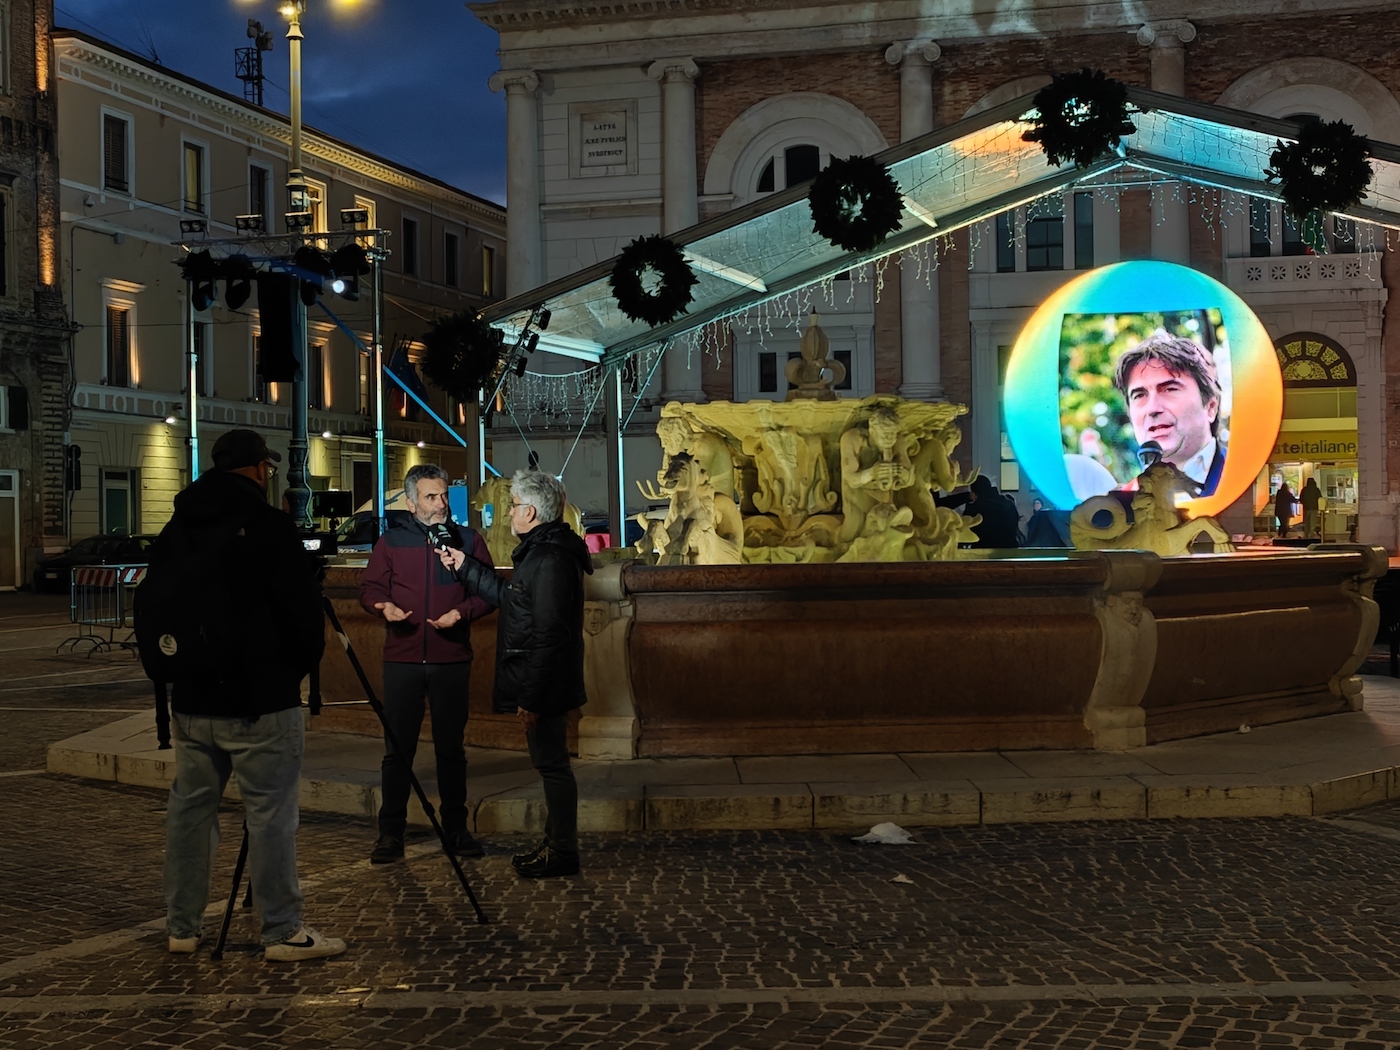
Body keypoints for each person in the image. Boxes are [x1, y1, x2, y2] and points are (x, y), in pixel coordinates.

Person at [153, 429, 344, 962]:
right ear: (260, 470)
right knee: (271, 817)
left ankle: (181, 927)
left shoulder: (180, 523)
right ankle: (281, 930)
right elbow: (302, 617)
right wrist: (290, 674)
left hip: (193, 698)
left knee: (191, 814)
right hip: (261, 700)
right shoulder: (268, 526)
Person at [440, 469, 593, 879]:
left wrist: (531, 697)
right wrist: (465, 566)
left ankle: (562, 850)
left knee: (553, 765)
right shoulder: (543, 553)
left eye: (512, 505)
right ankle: (555, 844)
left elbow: (549, 634)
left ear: (530, 512)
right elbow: (512, 600)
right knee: (550, 763)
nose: (508, 512)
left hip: (545, 683)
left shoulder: (548, 559)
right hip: (545, 680)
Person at [359, 464, 494, 865]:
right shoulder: (391, 542)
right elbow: (370, 588)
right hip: (401, 660)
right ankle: (390, 833)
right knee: (397, 751)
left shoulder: (468, 540)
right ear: (411, 502)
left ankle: (456, 829)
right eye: (431, 497)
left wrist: (461, 614)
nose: (440, 504)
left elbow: (487, 591)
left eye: (443, 496)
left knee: (451, 750)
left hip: (451, 659)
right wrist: (383, 606)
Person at [1112, 331, 1226, 496]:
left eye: (1169, 389)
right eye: (1139, 395)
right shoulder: (1124, 502)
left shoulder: (1250, 478)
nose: (1152, 408)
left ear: (1210, 407)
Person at [940, 475, 1021, 548]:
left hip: (984, 554)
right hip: (1011, 551)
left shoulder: (974, 508)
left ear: (973, 494)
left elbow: (963, 533)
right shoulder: (1009, 504)